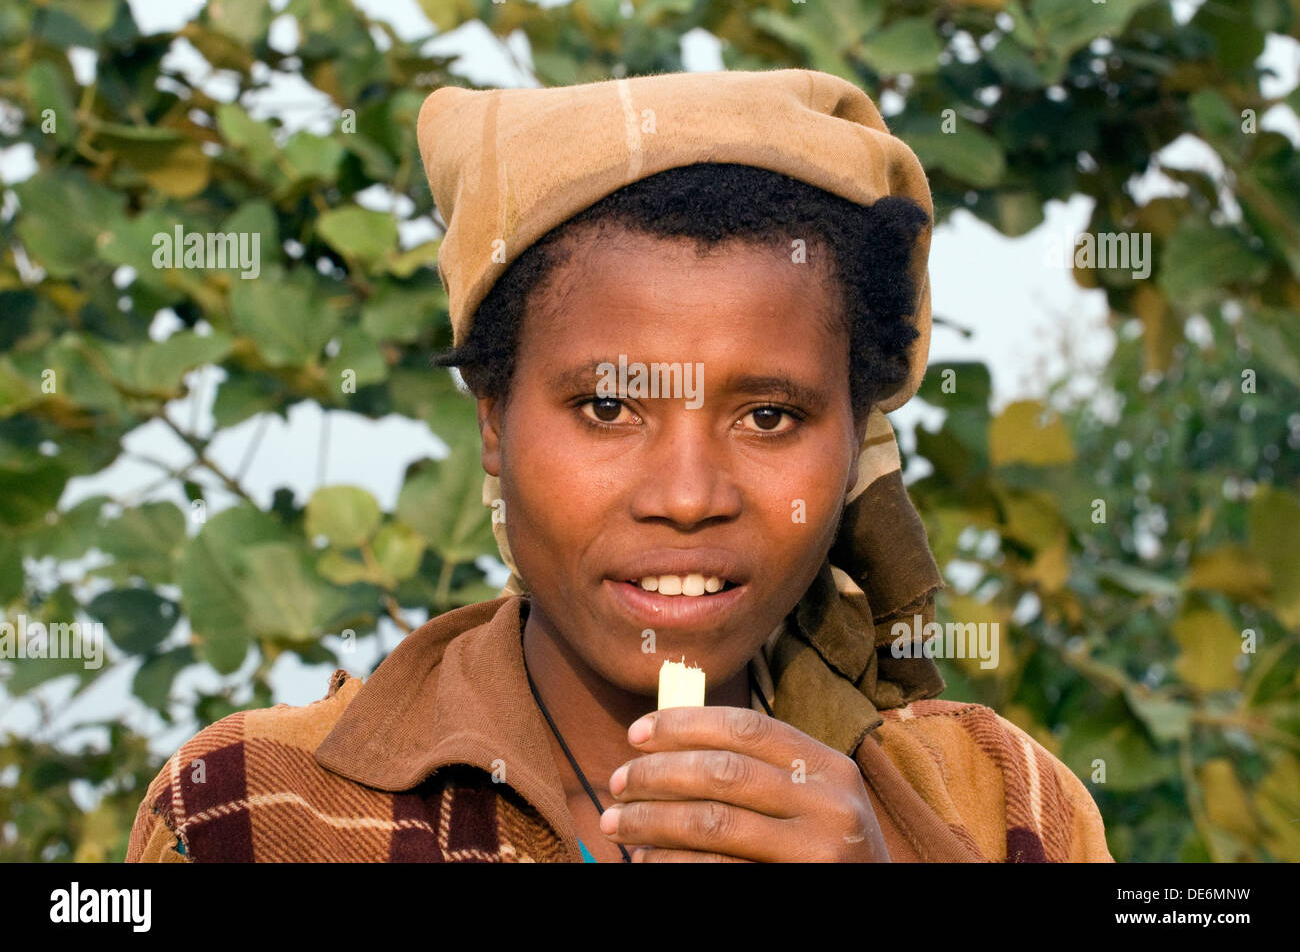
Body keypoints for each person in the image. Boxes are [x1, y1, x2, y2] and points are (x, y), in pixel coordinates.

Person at [125, 68, 1112, 862]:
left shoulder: (1006, 813)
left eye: (768, 415)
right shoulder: (248, 814)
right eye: (606, 407)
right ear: (494, 427)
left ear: (854, 436)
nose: (687, 498)